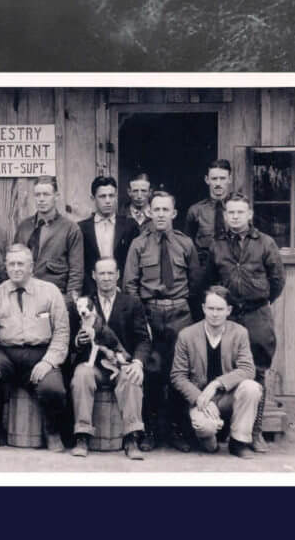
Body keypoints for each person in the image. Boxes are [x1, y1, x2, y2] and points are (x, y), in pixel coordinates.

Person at [202, 193, 285, 451]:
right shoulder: (217, 246)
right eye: (231, 212)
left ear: (249, 214)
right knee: (225, 366)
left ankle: (255, 432)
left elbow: (277, 280)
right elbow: (209, 280)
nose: (235, 217)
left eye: (240, 212)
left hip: (256, 314)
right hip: (228, 316)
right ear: (225, 215)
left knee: (257, 370)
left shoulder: (266, 243)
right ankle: (227, 429)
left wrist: (260, 300)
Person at [0, 244, 72, 454]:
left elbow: (62, 333)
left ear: (31, 267)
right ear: (6, 267)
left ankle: (52, 432)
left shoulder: (50, 292)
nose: (16, 268)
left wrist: (48, 361)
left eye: (21, 264)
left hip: (40, 354)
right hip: (7, 353)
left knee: (53, 388)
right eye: (11, 264)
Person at [124, 190, 197, 447]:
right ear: (149, 212)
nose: (161, 214)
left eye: (166, 210)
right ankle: (151, 429)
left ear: (174, 213)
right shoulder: (139, 244)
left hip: (180, 314)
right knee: (152, 371)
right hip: (150, 314)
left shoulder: (185, 244)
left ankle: (177, 429)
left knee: (179, 371)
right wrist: (140, 318)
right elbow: (130, 285)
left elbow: (195, 283)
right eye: (156, 210)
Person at [70, 255, 154, 459]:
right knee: (81, 375)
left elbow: (143, 339)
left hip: (121, 363)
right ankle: (82, 436)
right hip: (94, 365)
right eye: (102, 273)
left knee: (132, 378)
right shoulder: (84, 303)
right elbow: (70, 337)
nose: (106, 278)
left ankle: (132, 438)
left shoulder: (132, 303)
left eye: (110, 273)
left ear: (117, 275)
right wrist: (78, 341)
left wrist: (137, 363)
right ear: (94, 275)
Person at [170, 285, 265, 457]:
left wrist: (216, 384)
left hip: (228, 396)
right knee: (206, 430)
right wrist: (199, 398)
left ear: (228, 310)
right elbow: (178, 376)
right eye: (211, 308)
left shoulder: (239, 333)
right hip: (200, 398)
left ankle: (238, 442)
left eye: (220, 309)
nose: (215, 314)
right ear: (203, 309)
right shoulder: (187, 335)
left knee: (251, 388)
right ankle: (210, 439)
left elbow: (248, 369)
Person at [21, 176, 84, 301]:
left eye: (46, 194)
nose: (41, 199)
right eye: (37, 195)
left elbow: (76, 273)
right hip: (26, 296)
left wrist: (69, 303)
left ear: (56, 196)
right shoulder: (24, 227)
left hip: (55, 297)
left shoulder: (70, 229)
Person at [78, 175, 140, 299]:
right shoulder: (82, 228)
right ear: (93, 198)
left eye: (111, 196)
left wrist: (120, 287)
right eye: (102, 196)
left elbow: (134, 263)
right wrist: (93, 290)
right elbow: (81, 265)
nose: (108, 201)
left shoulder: (130, 226)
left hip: (122, 291)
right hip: (92, 293)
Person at [186, 159, 236, 247]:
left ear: (230, 179)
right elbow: (187, 245)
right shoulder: (196, 211)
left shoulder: (238, 209)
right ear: (207, 180)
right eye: (214, 179)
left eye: (222, 178)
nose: (218, 183)